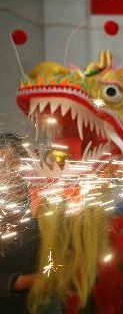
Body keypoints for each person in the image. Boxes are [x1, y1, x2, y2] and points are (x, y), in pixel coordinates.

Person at [0, 133, 42, 313]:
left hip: (48, 302)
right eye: (2, 165)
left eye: (14, 163)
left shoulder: (43, 200)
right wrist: (24, 281)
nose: (9, 171)